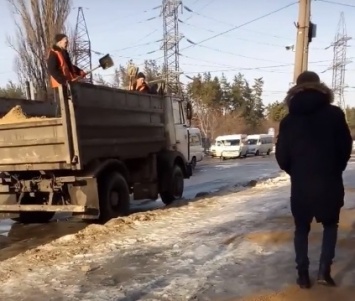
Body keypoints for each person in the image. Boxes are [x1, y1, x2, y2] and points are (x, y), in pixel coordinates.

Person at [276, 71, 352, 289]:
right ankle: (323, 272)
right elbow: (345, 148)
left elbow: (282, 156)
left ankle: (302, 275)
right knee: (330, 225)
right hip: (329, 181)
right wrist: (334, 168)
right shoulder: (335, 114)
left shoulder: (289, 121)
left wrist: (296, 172)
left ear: (296, 90)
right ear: (320, 87)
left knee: (301, 229)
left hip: (301, 185)